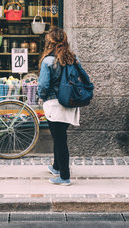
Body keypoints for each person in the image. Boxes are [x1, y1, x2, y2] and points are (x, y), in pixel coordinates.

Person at [37, 27, 79, 186]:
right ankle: (56, 167)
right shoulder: (73, 58)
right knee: (59, 135)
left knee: (60, 139)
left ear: (50, 42)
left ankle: (64, 176)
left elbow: (42, 85)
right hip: (70, 103)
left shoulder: (48, 61)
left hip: (54, 104)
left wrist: (41, 97)